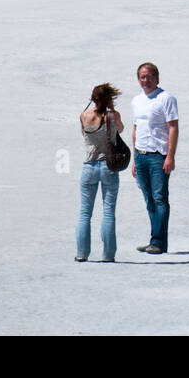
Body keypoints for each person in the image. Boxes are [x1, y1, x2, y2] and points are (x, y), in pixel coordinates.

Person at [131, 62, 178, 255]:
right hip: (141, 155)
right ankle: (154, 239)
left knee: (160, 199)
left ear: (157, 78)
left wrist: (170, 156)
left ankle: (158, 241)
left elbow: (173, 127)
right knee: (149, 199)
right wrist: (134, 159)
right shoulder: (137, 100)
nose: (146, 80)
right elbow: (136, 129)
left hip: (158, 155)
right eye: (142, 77)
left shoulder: (166, 98)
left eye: (149, 76)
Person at [76, 83, 124, 263]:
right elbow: (121, 129)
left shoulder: (84, 115)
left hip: (89, 166)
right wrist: (111, 110)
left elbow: (84, 134)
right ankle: (108, 254)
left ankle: (82, 253)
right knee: (108, 212)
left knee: (85, 213)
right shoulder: (113, 116)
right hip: (108, 166)